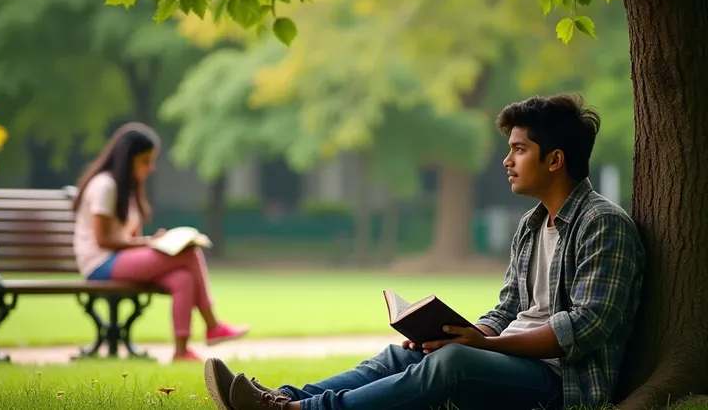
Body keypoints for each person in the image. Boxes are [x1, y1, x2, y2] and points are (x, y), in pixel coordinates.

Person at [201, 93, 646, 410]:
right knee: (408, 354)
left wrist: (483, 347)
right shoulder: (531, 227)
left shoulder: (603, 224)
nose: (506, 161)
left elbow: (584, 328)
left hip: (561, 384)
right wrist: (456, 332)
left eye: (518, 150)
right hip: (512, 360)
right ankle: (283, 398)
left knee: (451, 362)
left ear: (555, 159)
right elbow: (506, 309)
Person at [72, 122, 248, 362]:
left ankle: (181, 351)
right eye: (145, 160)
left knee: (182, 278)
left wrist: (155, 243)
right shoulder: (105, 186)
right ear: (128, 159)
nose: (151, 168)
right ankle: (212, 324)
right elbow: (103, 240)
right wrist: (150, 243)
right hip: (100, 264)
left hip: (117, 260)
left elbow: (129, 239)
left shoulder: (127, 189)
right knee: (189, 252)